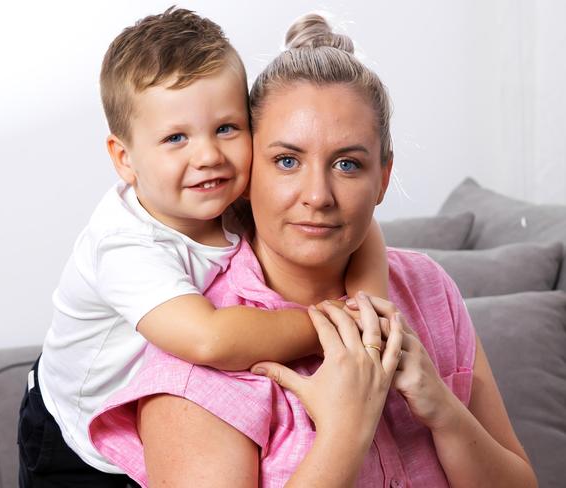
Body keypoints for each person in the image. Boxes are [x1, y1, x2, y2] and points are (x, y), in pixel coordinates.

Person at [88, 13, 538, 488]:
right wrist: (346, 431)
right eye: (287, 161)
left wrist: (444, 413)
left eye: (347, 164)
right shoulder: (198, 366)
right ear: (245, 174)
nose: (318, 195)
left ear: (382, 178)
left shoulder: (428, 289)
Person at [17, 8, 388, 488]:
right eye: (176, 138)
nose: (208, 155)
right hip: (76, 439)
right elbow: (210, 339)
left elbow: (365, 229)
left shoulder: (227, 193)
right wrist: (333, 322)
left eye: (227, 128)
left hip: (156, 429)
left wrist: (370, 310)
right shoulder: (124, 247)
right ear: (124, 158)